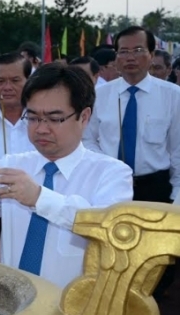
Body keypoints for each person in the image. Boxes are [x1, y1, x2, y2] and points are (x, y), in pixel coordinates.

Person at [0, 63, 133, 288]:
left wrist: (39, 198)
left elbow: (109, 229)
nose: (41, 129)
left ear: (84, 117)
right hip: (15, 300)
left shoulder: (112, 173)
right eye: (33, 117)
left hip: (72, 305)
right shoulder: (12, 164)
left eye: (54, 118)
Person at [82, 26, 180, 299]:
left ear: (151, 55)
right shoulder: (99, 95)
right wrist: (108, 168)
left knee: (156, 263)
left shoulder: (172, 96)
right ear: (116, 57)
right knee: (110, 257)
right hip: (111, 185)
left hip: (155, 188)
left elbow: (178, 152)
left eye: (138, 50)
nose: (130, 57)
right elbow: (88, 140)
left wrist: (176, 200)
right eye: (123, 51)